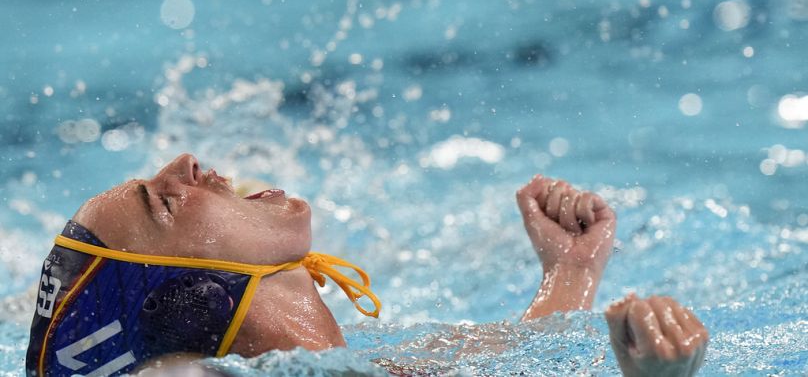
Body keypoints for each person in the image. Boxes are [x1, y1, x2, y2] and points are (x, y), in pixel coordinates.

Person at [26, 154, 708, 376]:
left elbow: (522, 358)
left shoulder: (374, 364)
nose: (187, 163)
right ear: (199, 297)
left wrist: (570, 273)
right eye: (165, 202)